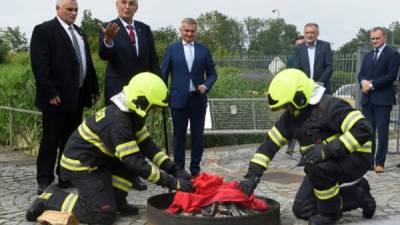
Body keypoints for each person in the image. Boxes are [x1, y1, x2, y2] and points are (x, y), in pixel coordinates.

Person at [26, 73, 193, 225]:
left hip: (100, 161)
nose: (155, 111)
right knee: (102, 214)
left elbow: (149, 147)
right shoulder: (119, 122)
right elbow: (137, 164)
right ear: (141, 101)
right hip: (82, 166)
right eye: (154, 107)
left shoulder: (132, 114)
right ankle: (51, 198)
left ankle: (117, 201)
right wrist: (173, 183)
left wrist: (175, 170)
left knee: (130, 160)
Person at [238, 69, 376, 225]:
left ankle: (329, 216)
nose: (287, 110)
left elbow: (364, 129)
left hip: (355, 157)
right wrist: (252, 177)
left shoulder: (329, 106)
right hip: (322, 163)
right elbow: (268, 146)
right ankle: (359, 194)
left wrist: (327, 149)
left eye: (288, 105)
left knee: (318, 169)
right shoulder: (291, 117)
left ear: (300, 97)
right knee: (303, 208)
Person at [30, 0, 99, 195]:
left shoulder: (79, 32)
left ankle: (65, 176)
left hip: (77, 97)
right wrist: (50, 92)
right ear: (58, 8)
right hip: (56, 99)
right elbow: (40, 65)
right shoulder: (44, 30)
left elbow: (87, 63)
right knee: (50, 140)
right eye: (69, 9)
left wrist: (93, 88)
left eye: (76, 9)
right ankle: (44, 179)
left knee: (70, 141)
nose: (74, 13)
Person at [99, 0, 161, 189]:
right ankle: (112, 172)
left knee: (137, 132)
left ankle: (133, 174)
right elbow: (104, 55)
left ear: (136, 7)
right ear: (117, 5)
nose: (127, 6)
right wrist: (108, 40)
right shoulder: (108, 27)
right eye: (123, 3)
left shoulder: (144, 29)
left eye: (131, 3)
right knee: (118, 133)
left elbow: (153, 61)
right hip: (118, 90)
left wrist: (160, 93)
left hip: (142, 93)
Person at [161, 18, 217, 177]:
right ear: (181, 31)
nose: (189, 34)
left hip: (198, 100)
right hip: (178, 100)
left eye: (192, 31)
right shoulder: (172, 49)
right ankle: (178, 169)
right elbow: (162, 75)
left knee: (197, 137)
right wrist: (160, 97)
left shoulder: (203, 50)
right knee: (179, 137)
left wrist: (205, 85)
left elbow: (213, 74)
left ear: (196, 32)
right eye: (186, 30)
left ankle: (195, 170)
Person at [358, 27, 400, 173]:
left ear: (384, 38)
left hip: (383, 100)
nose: (374, 41)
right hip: (367, 100)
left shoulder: (393, 54)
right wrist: (363, 82)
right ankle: (368, 162)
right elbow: (361, 73)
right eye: (372, 39)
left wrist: (372, 84)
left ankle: (380, 163)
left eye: (377, 38)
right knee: (369, 132)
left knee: (382, 133)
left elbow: (391, 76)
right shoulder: (368, 55)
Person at [294, 23, 333, 94]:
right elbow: (297, 68)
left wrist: (319, 83)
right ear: (304, 34)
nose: (309, 35)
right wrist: (304, 83)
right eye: (307, 33)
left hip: (322, 87)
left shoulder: (325, 46)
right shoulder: (299, 48)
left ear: (317, 34)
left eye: (312, 33)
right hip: (304, 88)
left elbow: (329, 67)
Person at [286, 35, 304, 157]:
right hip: (292, 95)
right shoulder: (291, 59)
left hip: (305, 95)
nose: (299, 47)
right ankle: (290, 146)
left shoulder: (309, 59)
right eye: (297, 45)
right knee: (291, 121)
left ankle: (304, 151)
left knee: (305, 124)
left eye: (301, 44)